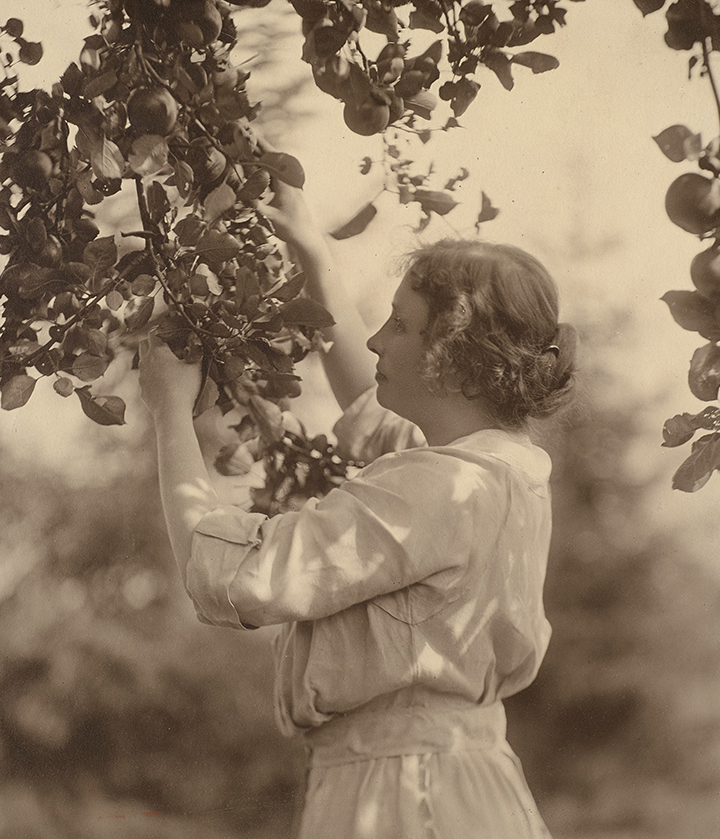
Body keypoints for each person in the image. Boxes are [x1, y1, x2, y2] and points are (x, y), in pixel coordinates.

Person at [138, 178, 577, 839]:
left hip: (404, 797)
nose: (376, 341)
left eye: (400, 324)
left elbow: (234, 577)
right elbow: (366, 411)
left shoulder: (439, 488)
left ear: (454, 361)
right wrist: (315, 256)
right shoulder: (500, 473)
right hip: (458, 782)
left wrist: (169, 410)